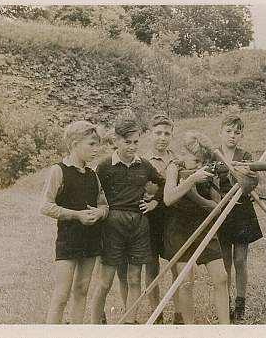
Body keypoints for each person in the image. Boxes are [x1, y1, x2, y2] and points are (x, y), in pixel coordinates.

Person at [90, 111, 165, 324]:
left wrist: (154, 202)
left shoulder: (144, 165)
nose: (132, 146)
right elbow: (92, 192)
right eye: (127, 142)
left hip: (139, 224)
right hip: (112, 224)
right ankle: (95, 325)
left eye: (136, 142)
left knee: (134, 279)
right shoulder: (105, 166)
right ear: (116, 141)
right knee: (105, 281)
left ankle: (130, 324)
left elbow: (162, 183)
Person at [40, 121, 108, 324]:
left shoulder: (92, 175)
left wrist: (100, 213)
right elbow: (45, 206)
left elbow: (104, 205)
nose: (96, 149)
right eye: (91, 144)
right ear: (74, 144)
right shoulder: (58, 171)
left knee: (82, 289)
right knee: (62, 294)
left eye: (98, 144)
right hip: (68, 239)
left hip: (91, 240)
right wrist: (76, 215)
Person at [163, 131, 230, 324]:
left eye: (203, 162)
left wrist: (198, 196)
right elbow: (168, 199)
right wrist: (192, 179)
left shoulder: (209, 169)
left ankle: (225, 328)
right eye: (195, 161)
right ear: (182, 155)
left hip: (203, 224)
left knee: (221, 277)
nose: (200, 167)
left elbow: (216, 206)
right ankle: (190, 329)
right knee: (185, 281)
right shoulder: (174, 167)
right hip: (179, 226)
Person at [212, 113, 263, 322]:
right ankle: (226, 302)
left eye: (237, 132)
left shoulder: (245, 155)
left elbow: (252, 181)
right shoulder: (213, 155)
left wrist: (246, 176)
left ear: (241, 135)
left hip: (241, 211)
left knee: (240, 260)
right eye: (229, 131)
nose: (232, 136)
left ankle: (240, 304)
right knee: (224, 261)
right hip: (221, 211)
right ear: (221, 132)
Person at [138, 113, 178, 324]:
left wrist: (158, 201)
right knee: (151, 265)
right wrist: (150, 202)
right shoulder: (142, 161)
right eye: (158, 133)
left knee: (176, 264)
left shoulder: (177, 160)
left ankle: (179, 311)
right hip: (151, 220)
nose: (162, 137)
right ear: (149, 134)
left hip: (173, 218)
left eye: (167, 133)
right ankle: (156, 313)